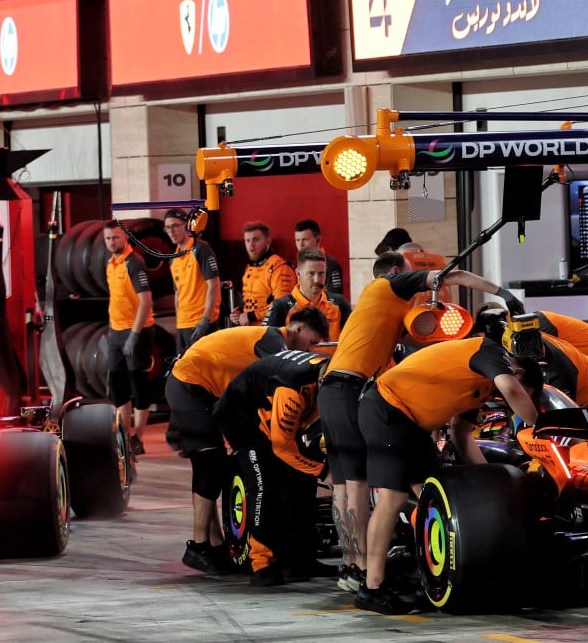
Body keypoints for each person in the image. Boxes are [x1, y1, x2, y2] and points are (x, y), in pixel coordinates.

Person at [353, 309, 548, 613]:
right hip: (386, 408)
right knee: (393, 496)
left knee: (436, 495)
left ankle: (425, 567)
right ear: (518, 373)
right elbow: (512, 390)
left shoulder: (483, 385)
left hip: (411, 422)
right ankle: (372, 586)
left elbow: (460, 434)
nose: (507, 402)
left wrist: (494, 484)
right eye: (523, 394)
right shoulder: (491, 353)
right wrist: (540, 431)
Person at [320, 250, 478, 596]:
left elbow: (417, 337)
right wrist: (498, 291)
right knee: (359, 485)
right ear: (396, 271)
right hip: (348, 389)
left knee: (344, 485)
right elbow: (445, 276)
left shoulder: (379, 309)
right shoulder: (388, 285)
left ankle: (351, 567)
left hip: (332, 389)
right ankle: (364, 571)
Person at [166, 317, 328, 576]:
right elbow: (283, 376)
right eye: (310, 343)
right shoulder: (273, 341)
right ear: (298, 328)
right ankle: (199, 546)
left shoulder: (268, 338)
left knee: (213, 467)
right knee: (209, 466)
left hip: (198, 384)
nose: (308, 351)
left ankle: (215, 545)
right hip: (191, 385)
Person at [216, 346, 328, 586]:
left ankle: (299, 560)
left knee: (302, 482)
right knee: (262, 486)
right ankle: (261, 563)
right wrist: (322, 471)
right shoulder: (294, 387)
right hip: (242, 420)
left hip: (269, 414)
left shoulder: (331, 374)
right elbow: (282, 446)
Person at [102, 223, 156, 452]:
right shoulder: (110, 264)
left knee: (138, 384)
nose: (112, 242)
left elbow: (146, 301)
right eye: (108, 238)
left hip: (138, 330)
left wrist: (134, 334)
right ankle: (124, 435)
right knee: (117, 385)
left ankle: (138, 438)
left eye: (115, 238)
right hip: (116, 331)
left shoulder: (134, 263)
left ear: (125, 238)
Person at [164, 209, 220, 353]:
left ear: (186, 225)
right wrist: (179, 323)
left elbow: (213, 285)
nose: (171, 231)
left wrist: (205, 321)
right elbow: (178, 294)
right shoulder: (173, 258)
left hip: (201, 322)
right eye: (168, 227)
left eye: (175, 226)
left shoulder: (201, 249)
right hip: (183, 325)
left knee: (204, 371)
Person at [266, 249, 347, 338]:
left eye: (321, 273)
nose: (317, 280)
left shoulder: (339, 303)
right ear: (298, 274)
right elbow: (266, 343)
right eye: (311, 273)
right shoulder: (281, 307)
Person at [233, 222, 297, 326]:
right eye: (247, 241)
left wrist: (250, 316)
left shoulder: (280, 267)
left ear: (268, 241)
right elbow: (252, 301)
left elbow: (283, 305)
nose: (251, 245)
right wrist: (239, 313)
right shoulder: (249, 268)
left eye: (256, 240)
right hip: (249, 332)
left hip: (271, 332)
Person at [292, 219, 344, 298]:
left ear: (318, 240)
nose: (300, 244)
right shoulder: (300, 265)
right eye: (297, 240)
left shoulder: (331, 265)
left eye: (305, 240)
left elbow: (335, 300)